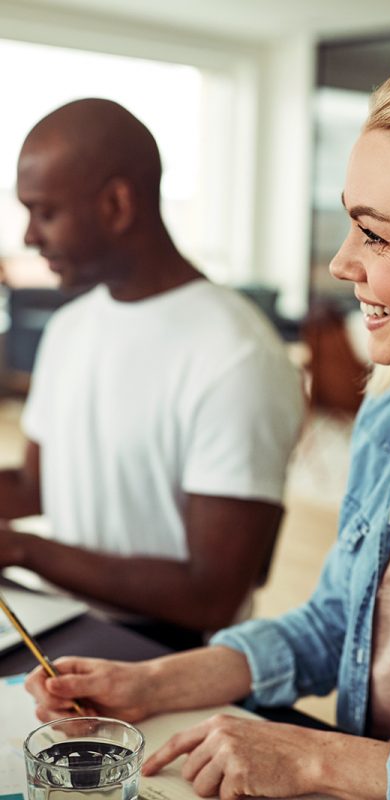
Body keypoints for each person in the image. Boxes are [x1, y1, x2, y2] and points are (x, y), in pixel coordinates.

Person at [26, 37, 390, 798]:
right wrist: (157, 683)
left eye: (374, 233)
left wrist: (313, 757)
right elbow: (336, 621)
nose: (338, 263)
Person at [0, 98, 304, 646]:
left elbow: (211, 594)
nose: (28, 237)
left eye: (45, 213)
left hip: (169, 655)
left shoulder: (237, 355)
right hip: (63, 621)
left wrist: (23, 549)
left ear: (117, 205)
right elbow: (34, 486)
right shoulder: (70, 327)